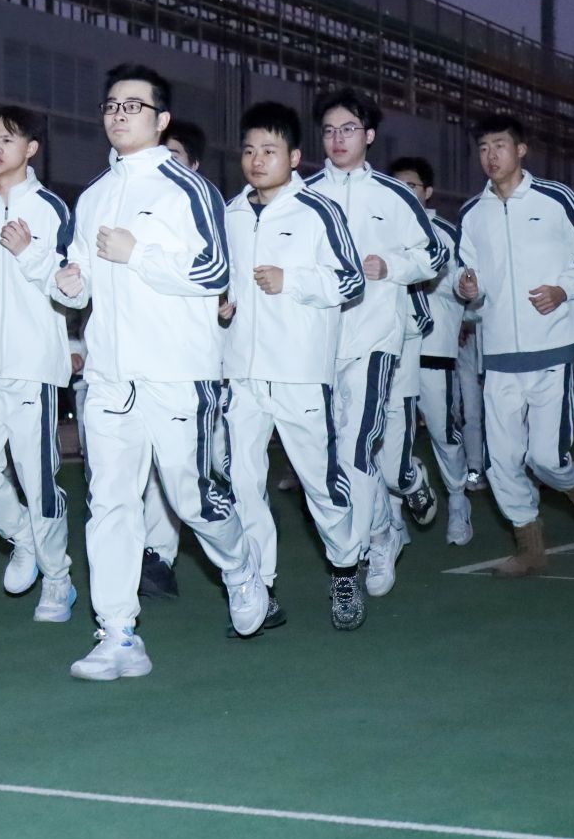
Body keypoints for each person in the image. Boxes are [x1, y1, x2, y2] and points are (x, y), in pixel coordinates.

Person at [56, 64, 268, 680]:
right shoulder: (94, 195)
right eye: (111, 106)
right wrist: (68, 281)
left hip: (178, 373)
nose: (120, 115)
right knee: (109, 503)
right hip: (109, 377)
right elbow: (80, 278)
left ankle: (241, 568)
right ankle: (118, 633)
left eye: (134, 106)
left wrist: (138, 253)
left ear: (161, 119)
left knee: (191, 497)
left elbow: (214, 271)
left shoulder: (188, 190)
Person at [454, 115, 574, 576]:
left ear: (521, 149)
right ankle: (530, 546)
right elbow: (465, 272)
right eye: (483, 147)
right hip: (499, 353)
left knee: (546, 458)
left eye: (500, 145)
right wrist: (466, 287)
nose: (491, 155)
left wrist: (564, 289)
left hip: (553, 347)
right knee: (501, 462)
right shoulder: (472, 213)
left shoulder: (556, 198)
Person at [223, 102, 364, 628]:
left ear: (295, 157)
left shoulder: (318, 211)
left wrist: (293, 281)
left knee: (319, 484)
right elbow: (222, 280)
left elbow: (350, 279)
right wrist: (221, 305)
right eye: (249, 151)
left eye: (270, 150)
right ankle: (260, 588)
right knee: (242, 483)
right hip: (241, 372)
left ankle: (345, 568)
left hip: (300, 372)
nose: (257, 160)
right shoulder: (231, 214)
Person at [305, 88, 448, 598]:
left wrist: (393, 266)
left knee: (359, 445)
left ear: (368, 135)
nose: (337, 139)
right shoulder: (304, 194)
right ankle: (385, 527)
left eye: (348, 129)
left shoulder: (394, 195)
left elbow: (433, 256)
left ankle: (363, 550)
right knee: (327, 454)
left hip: (375, 340)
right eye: (329, 130)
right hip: (315, 343)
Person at [0, 105, 79, 623]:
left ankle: (58, 579)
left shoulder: (52, 210)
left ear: (32, 148)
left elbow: (72, 290)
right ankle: (24, 537)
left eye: (8, 139)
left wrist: (28, 253)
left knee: (37, 477)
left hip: (34, 366)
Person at [137, 122, 215, 598]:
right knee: (143, 468)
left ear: (195, 165)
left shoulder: (204, 208)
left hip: (194, 366)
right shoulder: (130, 207)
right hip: (137, 361)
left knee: (191, 471)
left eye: (176, 155)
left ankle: (241, 562)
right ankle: (155, 557)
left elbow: (219, 274)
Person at [389, 157, 475, 546]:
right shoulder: (381, 228)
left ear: (427, 191)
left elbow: (465, 284)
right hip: (390, 353)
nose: (404, 193)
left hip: (434, 350)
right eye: (397, 185)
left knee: (442, 430)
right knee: (391, 435)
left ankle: (458, 500)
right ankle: (392, 518)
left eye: (411, 186)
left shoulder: (447, 234)